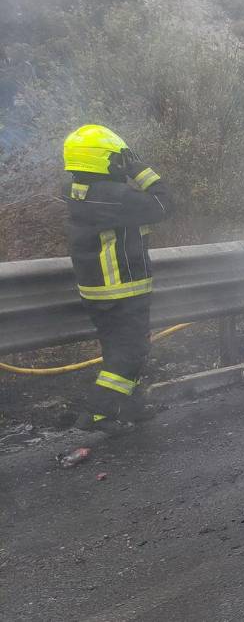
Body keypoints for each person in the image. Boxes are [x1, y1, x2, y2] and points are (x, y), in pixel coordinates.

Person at [62, 124, 172, 430]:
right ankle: (99, 411)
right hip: (121, 288)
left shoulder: (79, 192)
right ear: (103, 160)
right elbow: (164, 204)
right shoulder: (115, 196)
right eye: (117, 159)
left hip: (97, 289)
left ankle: (130, 407)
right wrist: (139, 169)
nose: (121, 164)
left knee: (119, 350)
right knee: (132, 351)